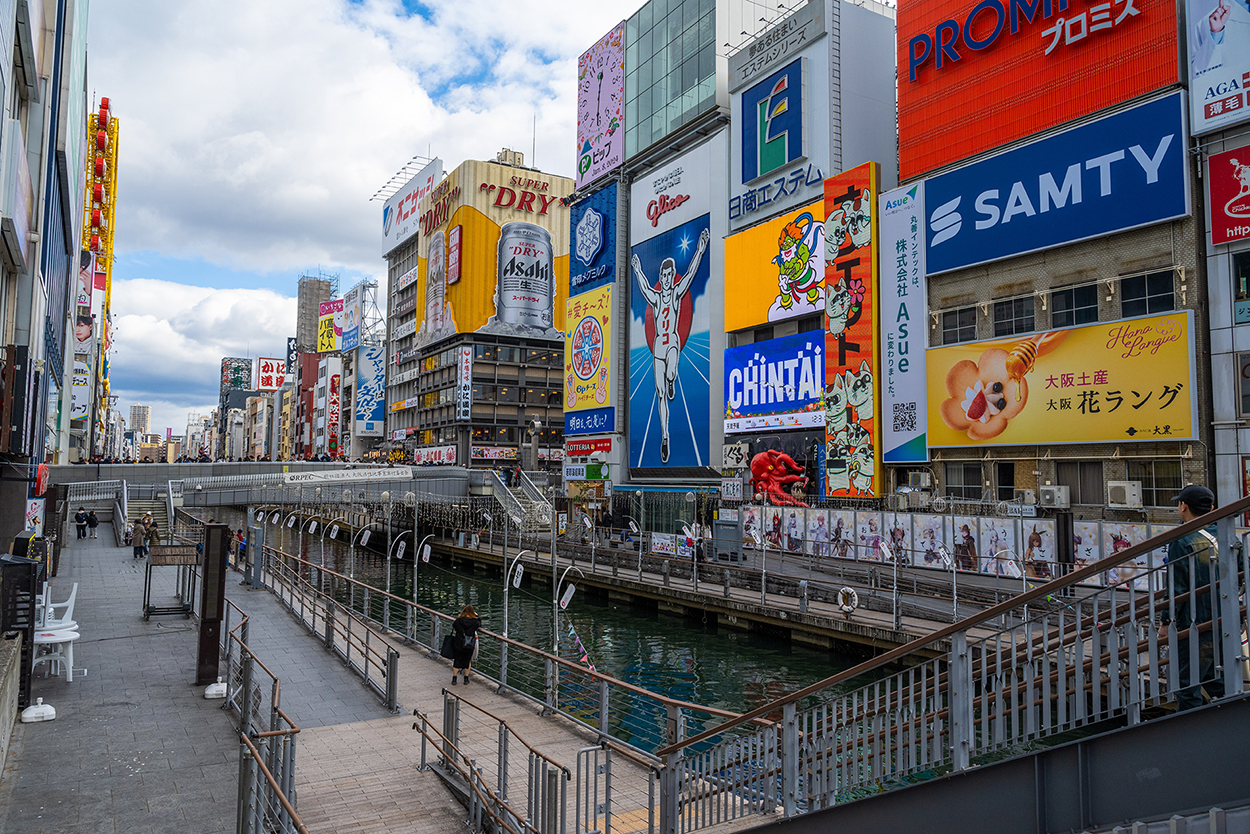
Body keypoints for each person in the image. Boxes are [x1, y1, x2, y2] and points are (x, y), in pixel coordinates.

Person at [631, 227, 710, 463]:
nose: (666, 280)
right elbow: (644, 287)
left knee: (672, 372)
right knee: (660, 394)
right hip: (658, 346)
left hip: (672, 341)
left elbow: (692, 273)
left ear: (672, 275)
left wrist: (701, 248)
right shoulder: (656, 298)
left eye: (669, 276)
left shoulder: (675, 294)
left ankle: (672, 377)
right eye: (663, 277)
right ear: (661, 277)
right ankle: (665, 436)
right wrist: (637, 269)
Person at [1158, 484, 1225, 711]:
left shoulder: (1181, 541)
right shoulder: (1223, 533)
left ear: (1183, 506)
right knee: (1218, 675)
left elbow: (1176, 588)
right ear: (1212, 508)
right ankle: (1231, 719)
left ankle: (1189, 732)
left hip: (1195, 619)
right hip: (1224, 614)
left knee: (1187, 683)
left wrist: (1166, 621)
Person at [451, 604, 481, 685]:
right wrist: (477, 616)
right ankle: (466, 678)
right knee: (468, 660)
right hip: (469, 643)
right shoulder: (474, 622)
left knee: (457, 660)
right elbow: (479, 624)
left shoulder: (458, 621)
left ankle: (454, 678)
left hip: (459, 643)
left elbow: (454, 626)